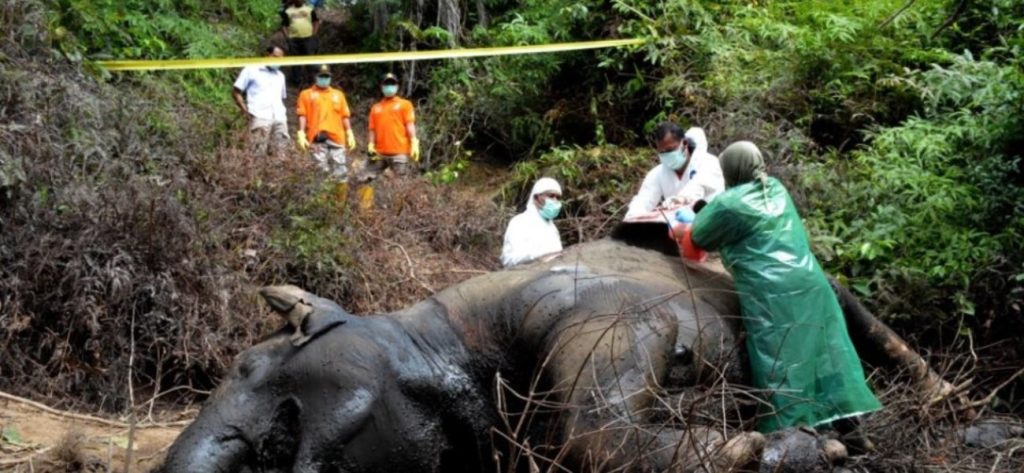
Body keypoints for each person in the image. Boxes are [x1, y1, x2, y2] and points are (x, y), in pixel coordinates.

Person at [690, 141, 881, 441]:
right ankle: (852, 432)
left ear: (730, 170)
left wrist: (695, 215)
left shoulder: (729, 203)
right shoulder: (776, 188)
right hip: (811, 285)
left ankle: (794, 439)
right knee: (827, 357)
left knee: (781, 364)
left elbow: (700, 236)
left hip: (772, 295)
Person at [625, 123, 724, 219]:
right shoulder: (658, 173)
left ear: (684, 143)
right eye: (662, 152)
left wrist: (680, 199)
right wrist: (633, 216)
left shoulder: (707, 162)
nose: (667, 155)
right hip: (681, 226)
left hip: (713, 222)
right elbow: (644, 199)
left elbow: (698, 186)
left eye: (670, 150)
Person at [296, 65, 356, 179]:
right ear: (316, 77)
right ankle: (322, 191)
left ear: (330, 77)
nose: (324, 79)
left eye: (326, 76)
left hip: (337, 138)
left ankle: (340, 191)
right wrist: (301, 132)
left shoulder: (338, 95)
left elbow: (345, 116)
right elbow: (302, 115)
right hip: (316, 137)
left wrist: (349, 132)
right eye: (321, 76)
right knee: (320, 171)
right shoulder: (306, 94)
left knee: (340, 170)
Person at [231, 46, 289, 157]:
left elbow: (280, 98)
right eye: (275, 57)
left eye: (281, 59)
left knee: (280, 155)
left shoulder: (280, 76)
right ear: (266, 55)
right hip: (259, 116)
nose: (278, 61)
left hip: (280, 117)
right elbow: (236, 92)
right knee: (257, 154)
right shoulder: (251, 70)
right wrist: (245, 110)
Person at [364, 73, 420, 179]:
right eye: (386, 84)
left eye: (392, 84)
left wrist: (414, 141)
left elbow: (410, 124)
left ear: (397, 86)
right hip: (379, 152)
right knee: (365, 177)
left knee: (400, 183)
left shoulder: (405, 105)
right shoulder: (376, 108)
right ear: (381, 87)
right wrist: (370, 145)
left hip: (399, 153)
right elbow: (372, 129)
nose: (389, 86)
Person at [501, 178, 563, 267]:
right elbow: (508, 259)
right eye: (551, 196)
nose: (555, 200)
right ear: (536, 197)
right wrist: (536, 256)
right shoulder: (520, 222)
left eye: (558, 197)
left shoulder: (552, 228)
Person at [280, 0, 320, 87]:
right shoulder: (288, 11)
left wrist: (314, 34)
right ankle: (296, 81)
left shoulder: (309, 9)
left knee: (310, 59)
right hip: (294, 40)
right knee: (295, 60)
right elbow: (283, 25)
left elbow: (316, 22)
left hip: (308, 38)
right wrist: (287, 38)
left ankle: (311, 80)